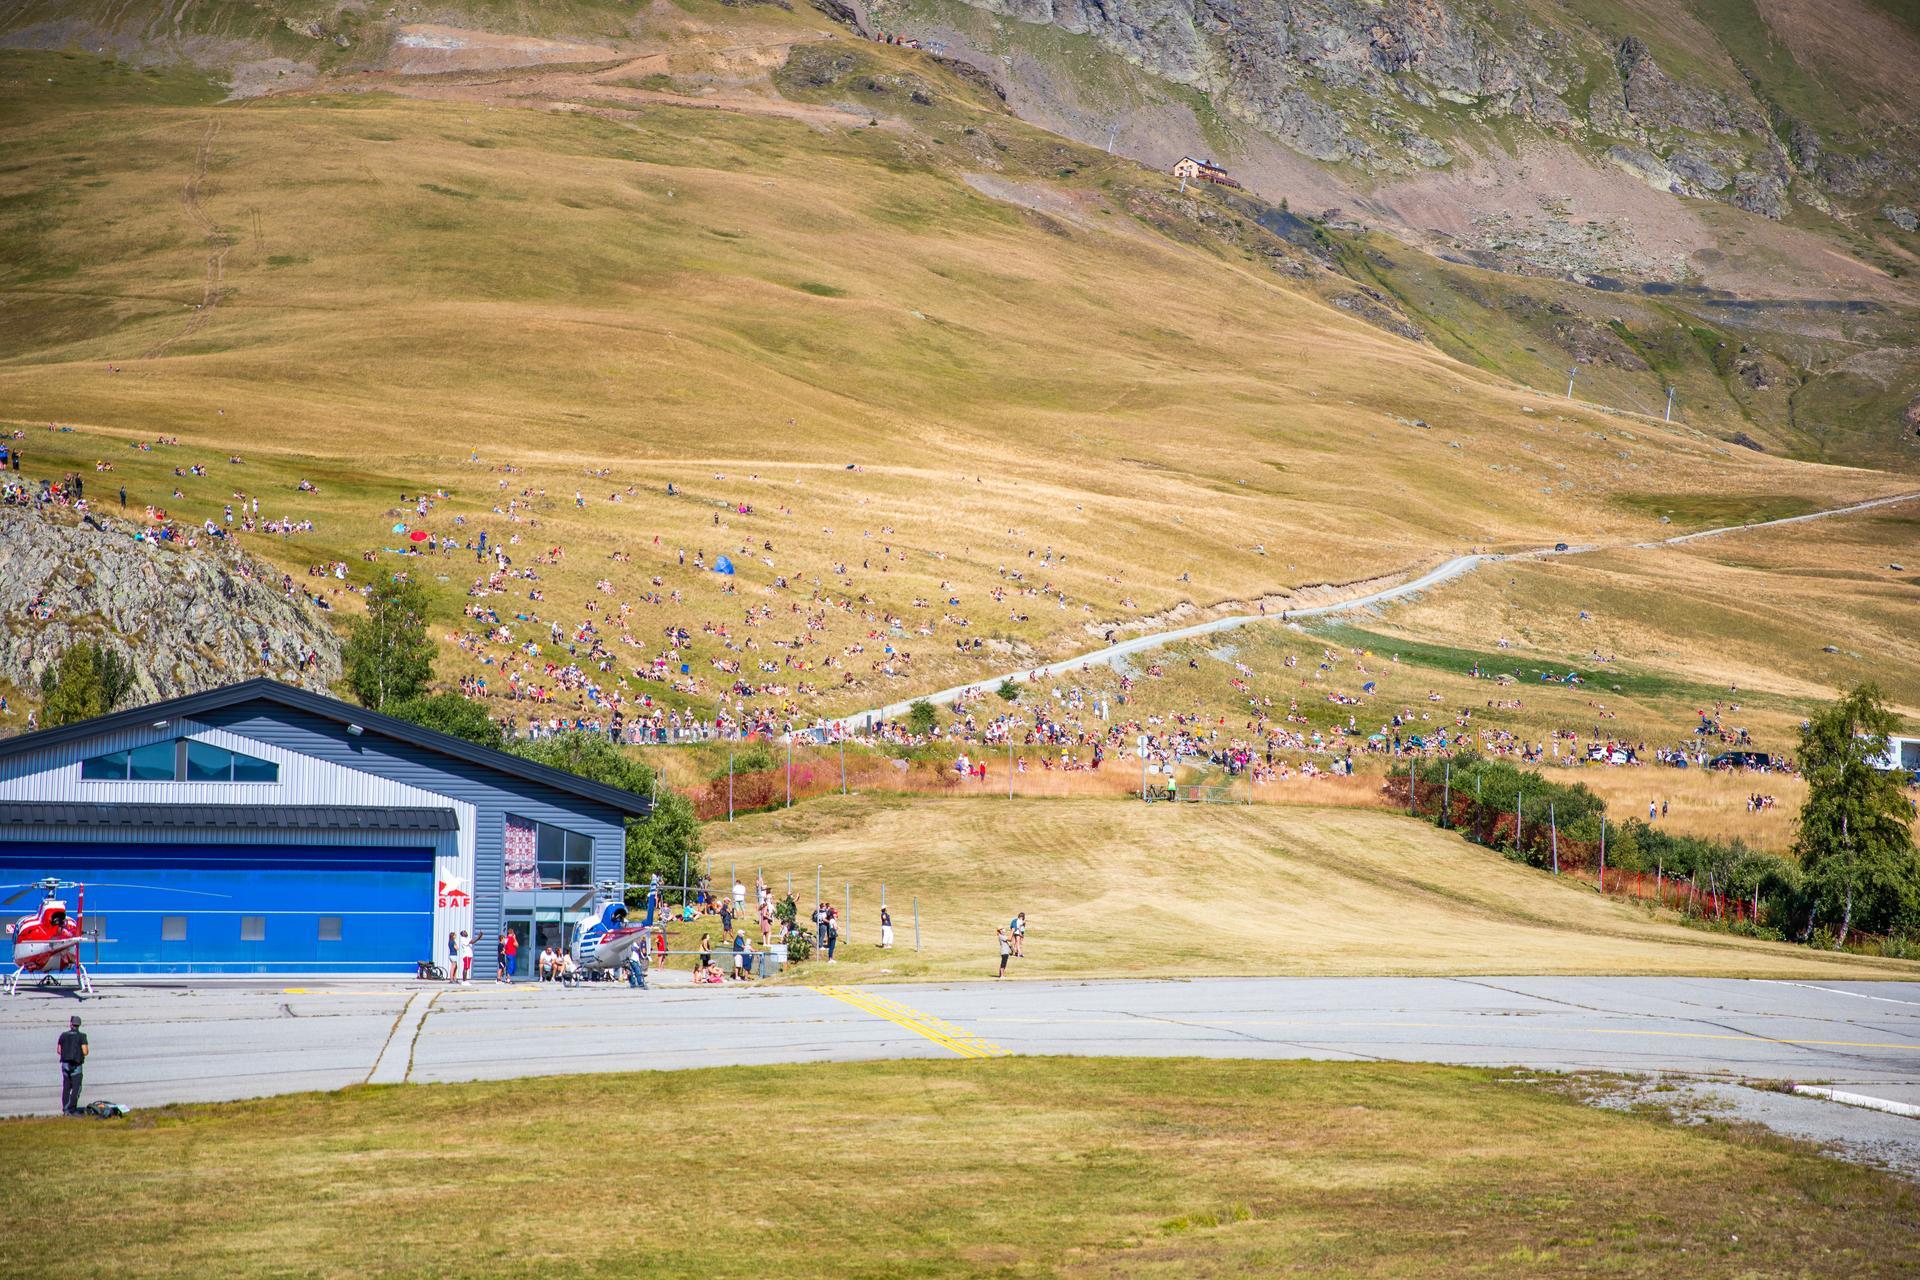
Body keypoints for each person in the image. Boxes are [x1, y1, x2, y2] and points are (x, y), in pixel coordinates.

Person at [58, 1015, 88, 1115]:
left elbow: (59, 1051)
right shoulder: (82, 1036)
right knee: (76, 1087)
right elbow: (85, 1051)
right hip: (76, 1065)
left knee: (66, 1087)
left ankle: (66, 1109)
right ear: (79, 1025)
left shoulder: (63, 1035)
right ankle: (72, 1109)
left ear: (71, 1024)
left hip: (65, 1064)